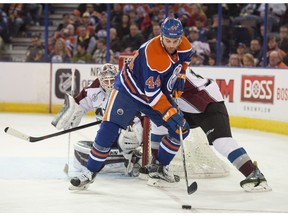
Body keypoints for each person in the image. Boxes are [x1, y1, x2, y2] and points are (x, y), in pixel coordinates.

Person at [69, 17, 193, 189]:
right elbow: (153, 95)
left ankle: (159, 167)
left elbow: (186, 58)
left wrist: (181, 75)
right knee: (108, 129)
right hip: (128, 91)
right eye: (168, 40)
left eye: (175, 41)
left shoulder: (183, 43)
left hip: (153, 92)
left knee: (181, 129)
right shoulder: (153, 56)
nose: (172, 44)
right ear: (161, 36)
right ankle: (89, 173)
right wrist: (170, 111)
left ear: (181, 37)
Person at [141, 68, 272, 192]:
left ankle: (254, 175)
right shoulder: (157, 69)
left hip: (208, 103)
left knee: (221, 142)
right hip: (185, 108)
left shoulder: (172, 67)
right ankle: (158, 166)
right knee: (160, 122)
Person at [52, 63, 143, 176]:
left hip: (128, 130)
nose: (109, 85)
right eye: (106, 81)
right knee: (100, 144)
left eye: (112, 80)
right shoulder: (92, 91)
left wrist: (138, 132)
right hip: (107, 134)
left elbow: (142, 115)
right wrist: (72, 115)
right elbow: (78, 106)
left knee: (127, 139)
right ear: (100, 80)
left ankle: (134, 157)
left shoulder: (127, 90)